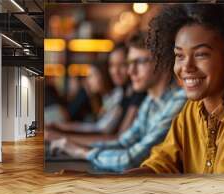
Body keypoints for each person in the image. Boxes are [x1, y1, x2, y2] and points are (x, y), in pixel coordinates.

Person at [126, 4, 224, 174]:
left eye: (201, 54)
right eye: (179, 56)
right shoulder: (191, 111)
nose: (186, 67)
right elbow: (159, 165)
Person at [52, 32, 187, 172]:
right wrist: (72, 146)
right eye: (129, 63)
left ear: (162, 63)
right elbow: (123, 142)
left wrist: (82, 152)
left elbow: (133, 159)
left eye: (139, 62)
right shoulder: (150, 100)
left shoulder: (179, 100)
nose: (130, 71)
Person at [52, 44, 146, 135]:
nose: (115, 71)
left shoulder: (125, 94)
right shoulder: (123, 93)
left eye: (122, 64)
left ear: (103, 75)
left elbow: (112, 135)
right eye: (112, 65)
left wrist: (64, 135)